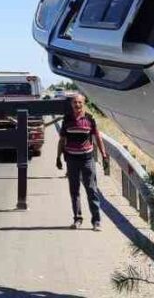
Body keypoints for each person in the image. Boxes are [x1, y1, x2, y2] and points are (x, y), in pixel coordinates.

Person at [56, 94, 109, 230]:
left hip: (87, 159)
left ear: (83, 103)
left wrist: (104, 155)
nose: (77, 105)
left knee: (91, 190)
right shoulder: (67, 120)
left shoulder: (90, 119)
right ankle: (77, 219)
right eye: (75, 102)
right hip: (71, 160)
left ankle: (96, 221)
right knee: (74, 191)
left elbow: (97, 137)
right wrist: (58, 157)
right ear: (71, 104)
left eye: (79, 102)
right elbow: (62, 140)